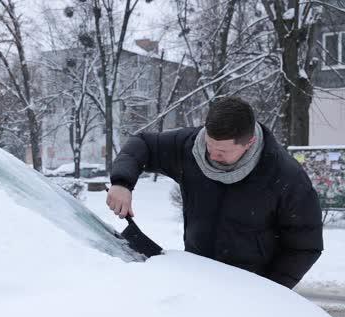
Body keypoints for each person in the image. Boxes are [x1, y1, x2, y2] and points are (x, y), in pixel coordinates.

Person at [106, 97, 323, 289]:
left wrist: (267, 290)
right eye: (210, 145)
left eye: (223, 152)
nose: (212, 155)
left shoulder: (285, 176)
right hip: (197, 280)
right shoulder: (190, 147)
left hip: (248, 289)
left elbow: (304, 246)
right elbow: (142, 144)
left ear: (250, 142)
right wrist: (122, 182)